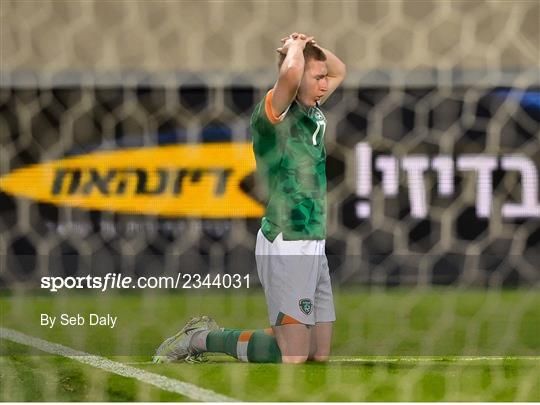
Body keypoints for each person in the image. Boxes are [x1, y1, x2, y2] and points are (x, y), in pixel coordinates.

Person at [153, 32, 346, 364]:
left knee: (319, 353)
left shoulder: (313, 112)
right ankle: (201, 338)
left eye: (323, 79)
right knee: (295, 356)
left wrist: (307, 44)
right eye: (317, 78)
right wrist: (295, 51)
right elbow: (288, 76)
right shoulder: (272, 115)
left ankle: (286, 333)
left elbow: (339, 69)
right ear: (298, 77)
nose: (326, 84)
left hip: (313, 241)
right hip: (285, 240)